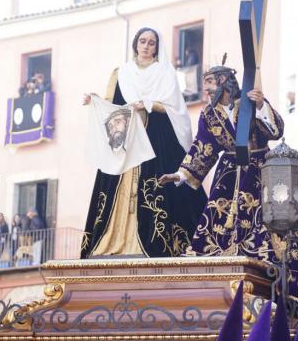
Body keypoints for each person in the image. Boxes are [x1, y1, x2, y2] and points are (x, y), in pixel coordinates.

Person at [158, 63, 298, 332]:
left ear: (226, 83)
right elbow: (202, 149)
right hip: (227, 178)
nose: (206, 88)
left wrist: (262, 105)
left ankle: (291, 293)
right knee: (212, 235)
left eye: (211, 83)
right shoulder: (209, 114)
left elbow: (275, 131)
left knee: (276, 236)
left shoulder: (250, 104)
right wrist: (180, 175)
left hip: (260, 175)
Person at [80, 27, 207, 258]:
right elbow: (113, 104)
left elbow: (174, 106)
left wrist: (147, 104)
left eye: (151, 42)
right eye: (143, 41)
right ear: (136, 44)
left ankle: (151, 246)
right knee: (114, 188)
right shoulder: (121, 73)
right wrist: (95, 101)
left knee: (160, 191)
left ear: (157, 47)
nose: (146, 46)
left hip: (156, 138)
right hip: (127, 141)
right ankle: (114, 241)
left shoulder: (165, 72)